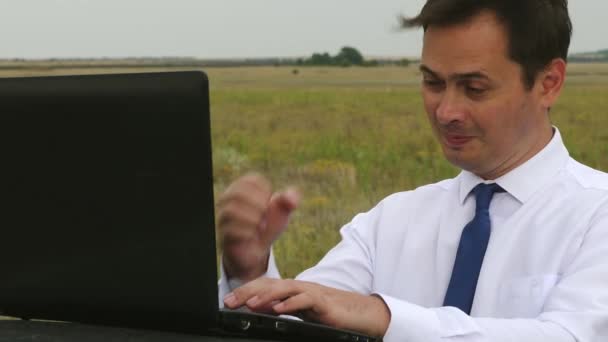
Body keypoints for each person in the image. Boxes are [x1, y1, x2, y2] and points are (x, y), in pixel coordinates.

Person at [217, 0, 608, 341]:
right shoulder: (389, 222)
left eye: (474, 88)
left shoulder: (597, 215)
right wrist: (249, 274)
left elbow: (571, 335)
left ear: (549, 83)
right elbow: (299, 321)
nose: (446, 112)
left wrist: (385, 318)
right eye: (432, 82)